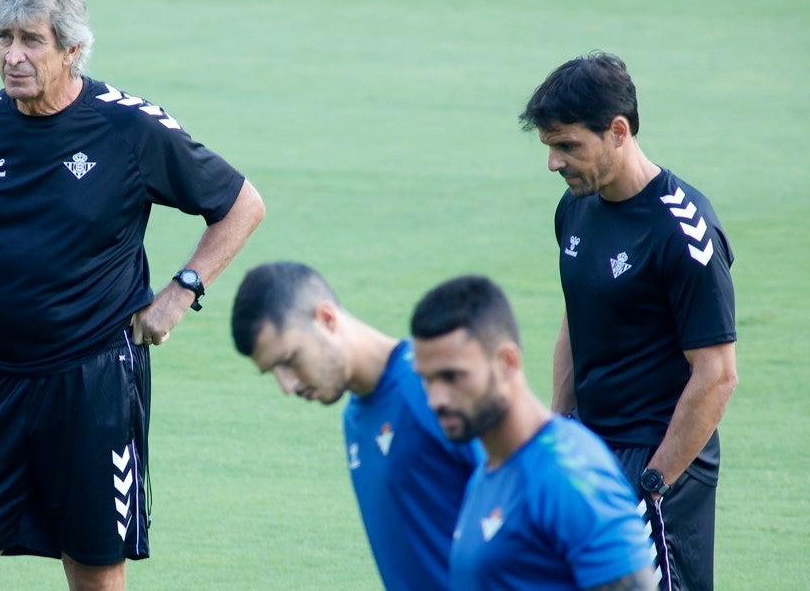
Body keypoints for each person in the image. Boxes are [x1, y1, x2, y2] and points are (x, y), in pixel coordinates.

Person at [0, 0, 265, 590]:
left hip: (95, 383)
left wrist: (180, 294)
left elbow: (240, 204)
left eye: (31, 40)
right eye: (3, 39)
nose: (13, 56)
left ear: (72, 49)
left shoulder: (128, 128)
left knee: (94, 572)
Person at [519, 52, 738, 590]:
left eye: (567, 145)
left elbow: (717, 374)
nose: (554, 162)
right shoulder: (574, 208)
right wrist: (559, 424)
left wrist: (655, 482)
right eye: (549, 147)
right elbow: (577, 316)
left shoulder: (683, 230)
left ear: (618, 131)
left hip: (656, 457)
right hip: (590, 449)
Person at [229, 261, 481, 591]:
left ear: (327, 319)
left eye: (289, 360)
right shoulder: (355, 420)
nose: (286, 386)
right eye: (272, 372)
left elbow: (529, 504)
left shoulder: (430, 390)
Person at [410, 275, 656, 591]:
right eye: (427, 380)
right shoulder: (490, 468)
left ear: (507, 362)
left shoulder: (568, 472)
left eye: (452, 376)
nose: (436, 399)